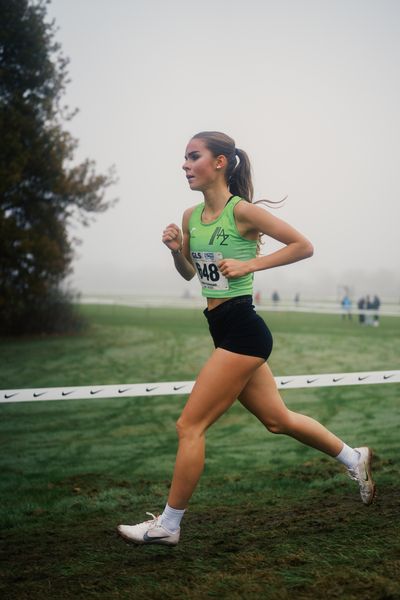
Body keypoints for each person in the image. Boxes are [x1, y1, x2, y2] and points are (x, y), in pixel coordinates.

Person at [117, 131, 375, 546]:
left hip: (244, 331)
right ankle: (353, 456)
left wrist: (251, 263)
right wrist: (175, 250)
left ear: (219, 163)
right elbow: (190, 275)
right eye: (183, 157)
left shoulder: (243, 212)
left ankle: (169, 524)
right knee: (278, 420)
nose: (184, 164)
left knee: (190, 425)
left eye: (193, 156)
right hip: (222, 330)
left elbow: (303, 246)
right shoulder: (189, 217)